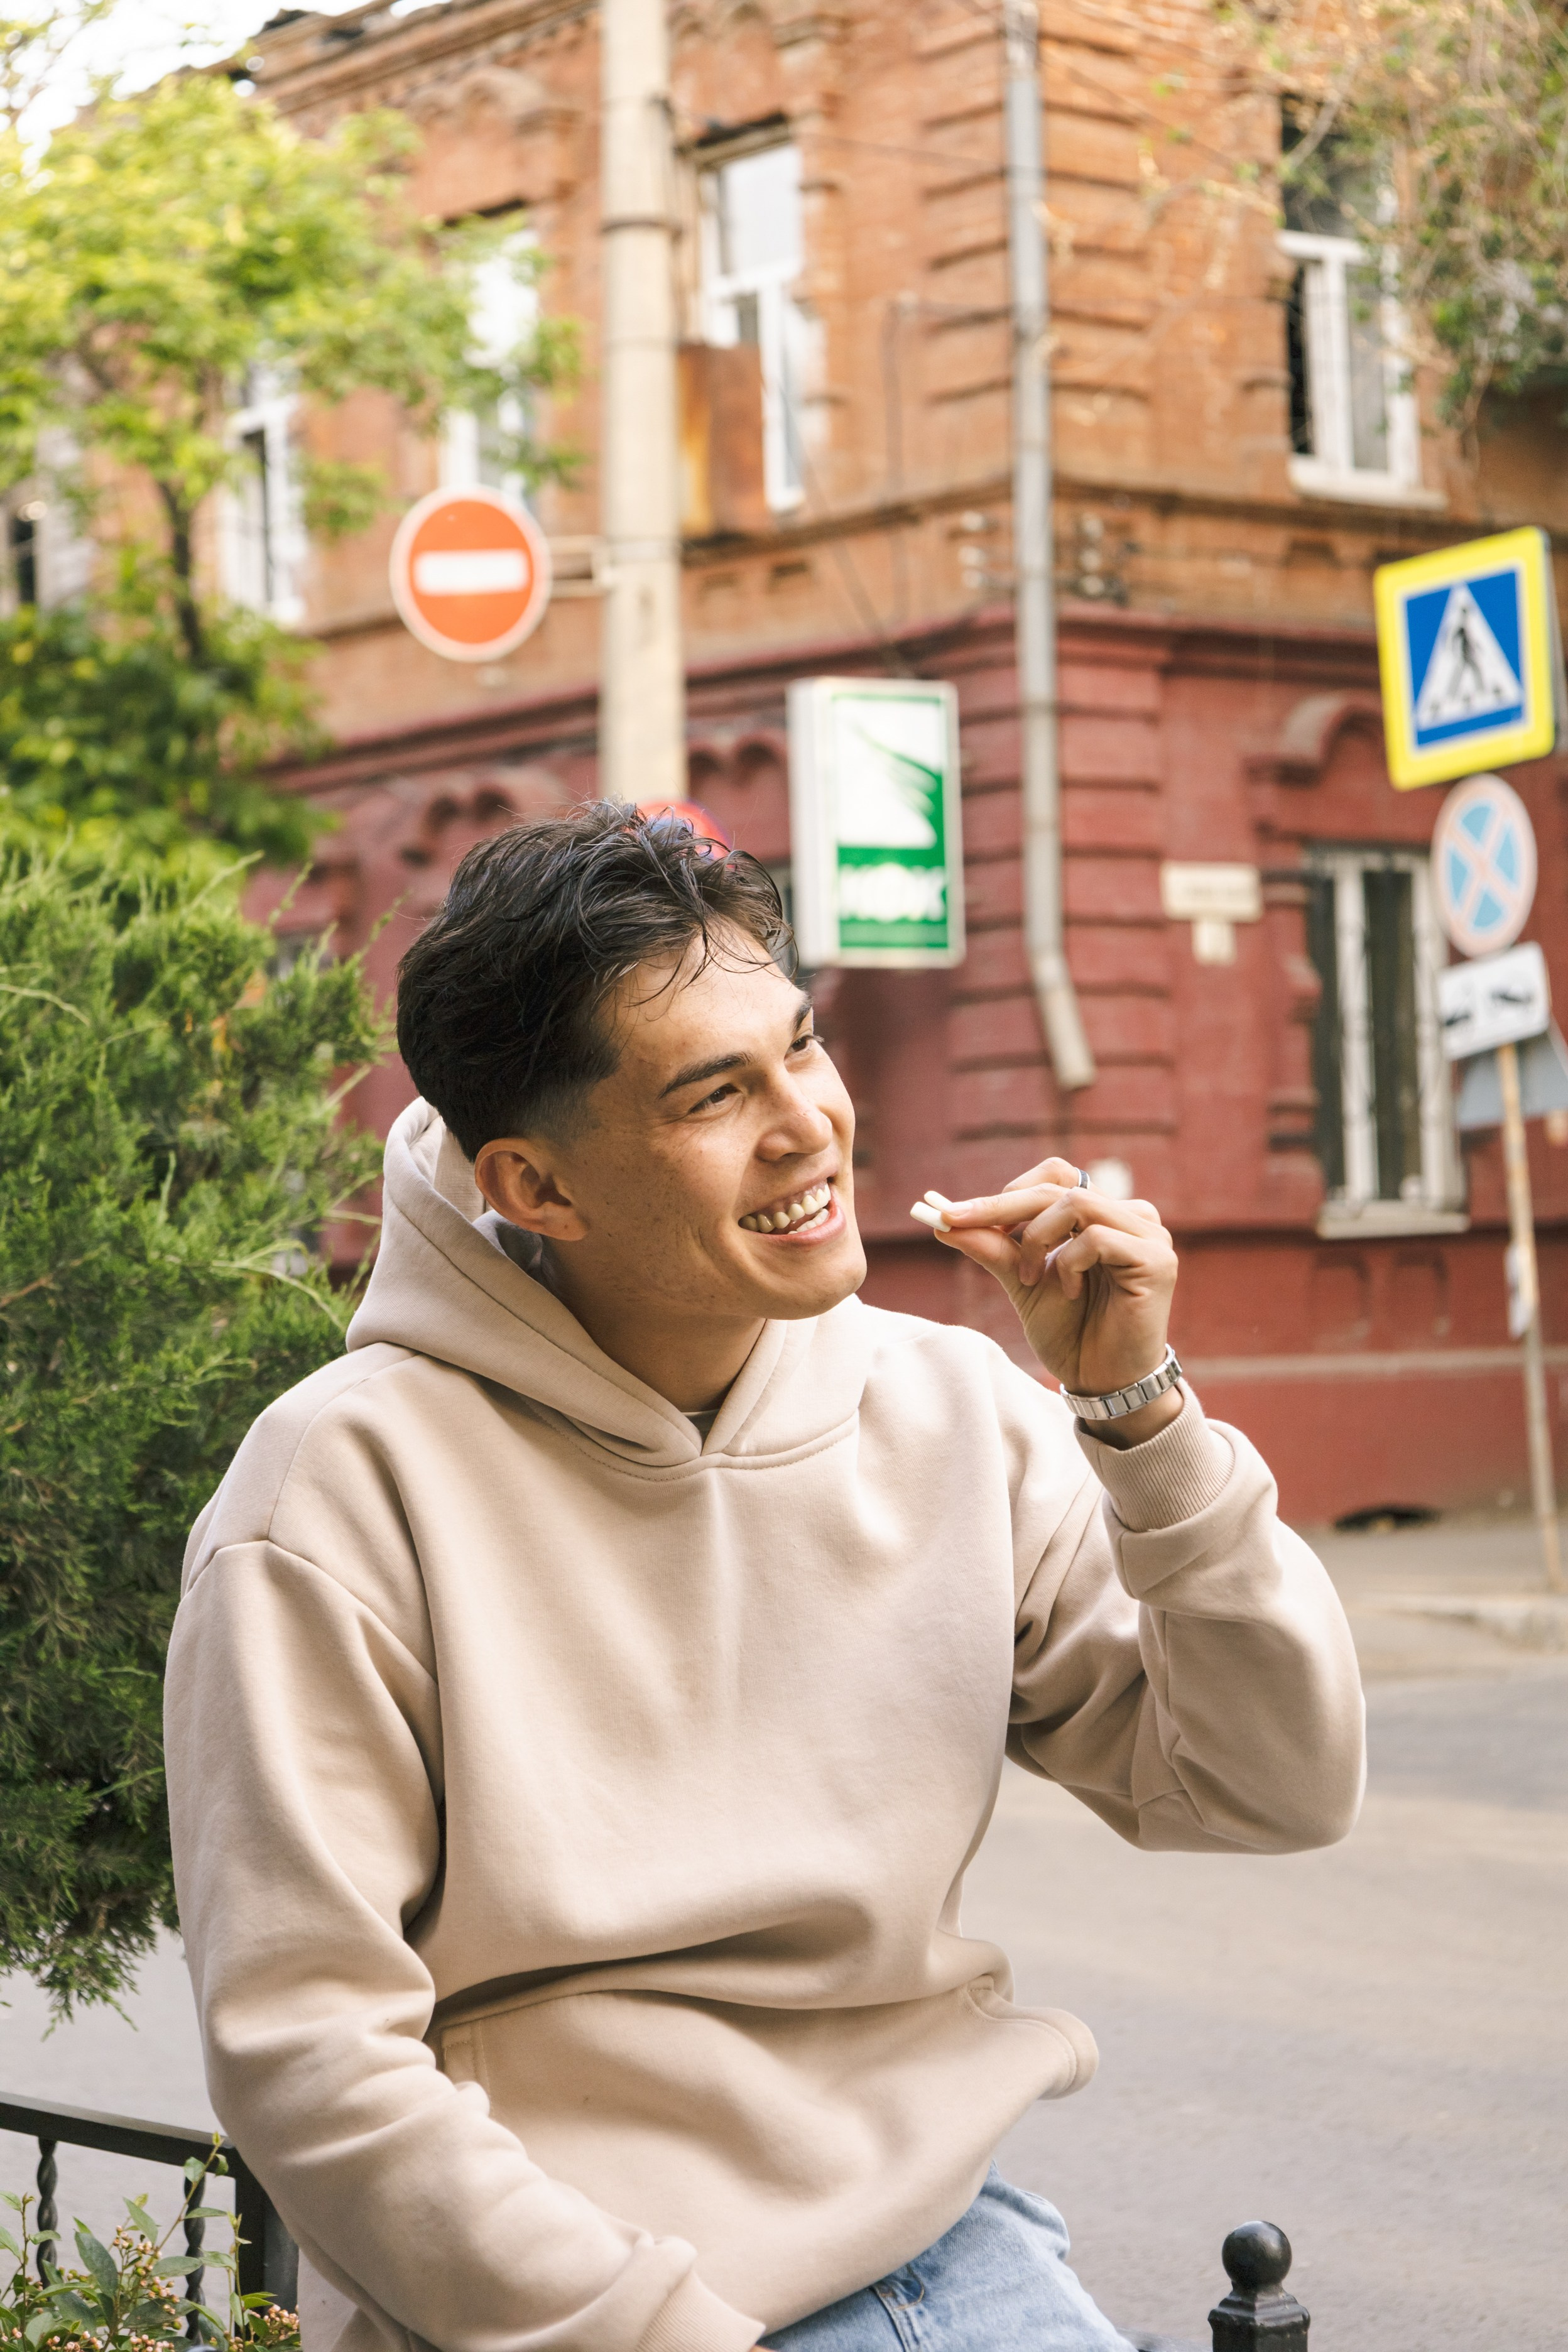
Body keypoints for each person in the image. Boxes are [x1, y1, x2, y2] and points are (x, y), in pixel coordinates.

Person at [165, 804, 1364, 2352]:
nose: (807, 1124)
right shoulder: (336, 1494)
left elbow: (1274, 1789)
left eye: (801, 1047)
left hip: (956, 2244)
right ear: (537, 1187)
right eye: (716, 1093)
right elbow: (308, 2057)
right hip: (580, 2296)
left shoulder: (950, 1407)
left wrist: (1141, 1419)